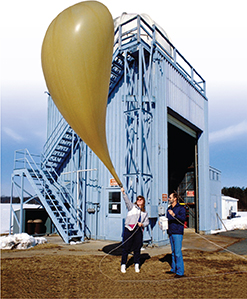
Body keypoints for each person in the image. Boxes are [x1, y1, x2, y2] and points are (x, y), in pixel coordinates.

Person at [120, 187, 149, 273]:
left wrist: (142, 224)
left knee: (137, 248)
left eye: (141, 199)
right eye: (138, 199)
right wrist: (124, 193)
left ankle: (137, 264)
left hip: (138, 231)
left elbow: (147, 222)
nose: (139, 200)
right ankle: (123, 265)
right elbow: (127, 201)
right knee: (126, 248)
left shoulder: (144, 212)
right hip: (129, 229)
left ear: (143, 201)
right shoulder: (132, 207)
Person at [166, 192, 186, 278]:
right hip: (171, 232)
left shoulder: (181, 208)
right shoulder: (169, 208)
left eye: (170, 198)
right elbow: (168, 219)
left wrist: (174, 215)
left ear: (175, 198)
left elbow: (183, 219)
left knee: (178, 252)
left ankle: (180, 272)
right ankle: (173, 269)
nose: (168, 199)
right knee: (173, 252)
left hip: (177, 232)